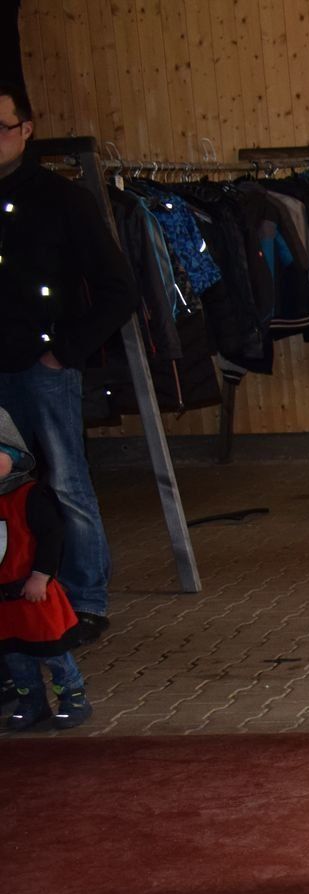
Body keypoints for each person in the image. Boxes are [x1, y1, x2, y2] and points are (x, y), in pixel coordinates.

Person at [0, 83, 135, 643]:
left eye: (0, 127)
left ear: (26, 129)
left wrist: (62, 353)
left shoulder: (63, 200)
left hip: (42, 368)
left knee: (64, 481)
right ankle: (14, 603)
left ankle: (84, 601)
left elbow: (119, 289)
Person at [1, 409, 90, 731]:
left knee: (52, 650)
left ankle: (73, 698)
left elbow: (52, 536)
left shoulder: (30, 495)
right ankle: (32, 703)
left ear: (14, 457)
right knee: (14, 654)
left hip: (35, 593)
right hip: (4, 599)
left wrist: (41, 575)